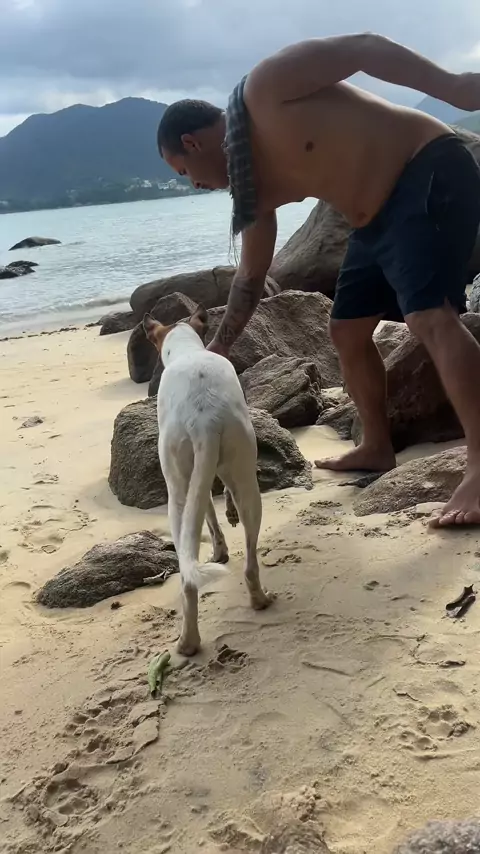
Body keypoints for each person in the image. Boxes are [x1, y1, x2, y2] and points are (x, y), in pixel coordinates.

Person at [157, 33, 480, 528]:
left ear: (191, 143)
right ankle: (376, 445)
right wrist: (217, 349)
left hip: (428, 166)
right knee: (346, 330)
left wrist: (452, 86)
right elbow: (251, 278)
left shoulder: (265, 91)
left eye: (183, 172)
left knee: (430, 316)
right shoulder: (254, 191)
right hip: (372, 224)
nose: (194, 184)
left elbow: (363, 49)